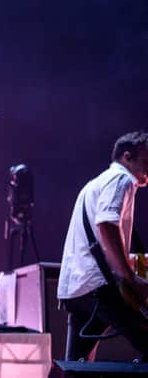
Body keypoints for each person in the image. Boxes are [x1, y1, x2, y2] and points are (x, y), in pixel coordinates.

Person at [57, 130, 148, 361]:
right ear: (127, 157)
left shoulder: (94, 184)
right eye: (146, 161)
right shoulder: (121, 178)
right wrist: (129, 277)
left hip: (77, 289)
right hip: (99, 287)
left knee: (76, 369)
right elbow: (106, 223)